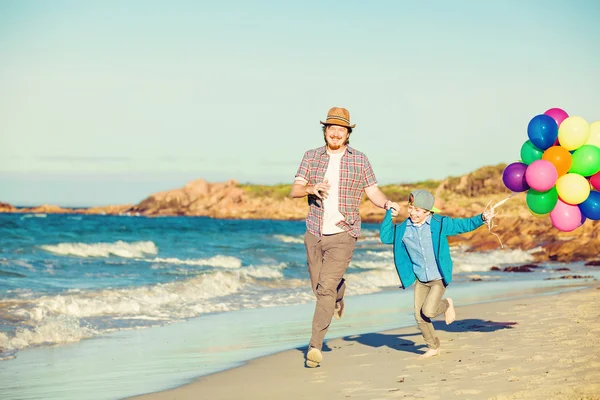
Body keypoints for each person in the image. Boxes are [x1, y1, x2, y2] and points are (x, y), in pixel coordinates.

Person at [290, 107, 399, 368]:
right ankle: (340, 291)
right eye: (331, 128)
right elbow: (295, 190)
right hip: (314, 231)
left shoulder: (359, 160)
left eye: (341, 129)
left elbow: (373, 191)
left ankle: (315, 346)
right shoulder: (311, 157)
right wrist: (310, 188)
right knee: (320, 288)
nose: (336, 133)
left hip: (344, 232)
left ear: (348, 133)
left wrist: (386, 204)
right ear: (325, 131)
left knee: (324, 288)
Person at [379, 189, 493, 358]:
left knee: (430, 311)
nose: (412, 212)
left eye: (417, 210)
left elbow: (462, 225)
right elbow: (386, 237)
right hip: (421, 279)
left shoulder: (439, 223)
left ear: (427, 212)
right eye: (411, 208)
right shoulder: (404, 228)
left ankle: (446, 304)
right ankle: (434, 346)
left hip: (438, 277)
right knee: (419, 316)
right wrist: (390, 215)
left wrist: (482, 218)